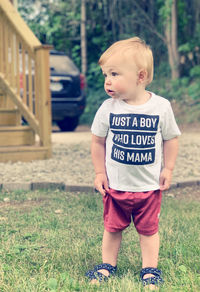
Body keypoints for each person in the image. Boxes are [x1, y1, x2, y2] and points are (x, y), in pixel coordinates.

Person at [85, 36, 181, 290]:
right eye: (106, 74)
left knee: (148, 231)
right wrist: (99, 172)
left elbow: (171, 139)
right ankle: (107, 265)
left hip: (148, 188)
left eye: (114, 73)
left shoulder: (161, 107)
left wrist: (168, 168)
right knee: (112, 228)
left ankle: (149, 269)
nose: (107, 80)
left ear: (140, 76)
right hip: (116, 185)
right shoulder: (108, 108)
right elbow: (97, 142)